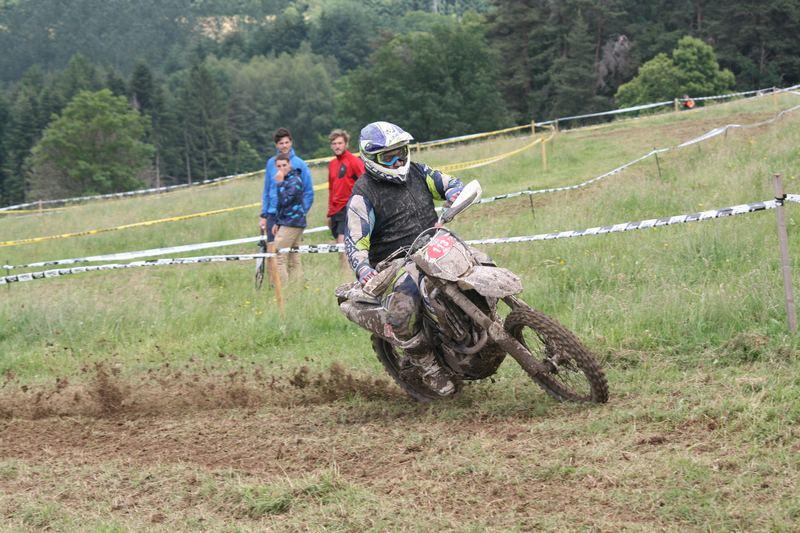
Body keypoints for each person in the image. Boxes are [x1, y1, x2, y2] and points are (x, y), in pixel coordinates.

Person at [341, 121, 463, 396]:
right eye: (389, 157)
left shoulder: (418, 172)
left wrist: (455, 192)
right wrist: (363, 268)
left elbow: (449, 183)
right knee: (402, 311)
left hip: (435, 246)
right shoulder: (363, 195)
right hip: (397, 262)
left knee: (480, 265)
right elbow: (355, 240)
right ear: (372, 159)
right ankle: (429, 367)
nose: (397, 161)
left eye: (401, 153)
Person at [259, 127, 314, 243]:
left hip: (291, 217)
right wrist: (264, 215)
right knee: (272, 249)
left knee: (288, 251)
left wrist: (301, 212)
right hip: (272, 213)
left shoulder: (300, 164)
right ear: (276, 145)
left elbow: (308, 192)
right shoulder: (270, 163)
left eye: (286, 142)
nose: (284, 146)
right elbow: (267, 190)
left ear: (291, 142)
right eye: (281, 143)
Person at [326, 129, 364, 270]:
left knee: (342, 242)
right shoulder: (332, 164)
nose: (337, 146)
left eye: (340, 143)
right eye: (334, 143)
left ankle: (346, 273)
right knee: (340, 243)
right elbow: (331, 189)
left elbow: (365, 182)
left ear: (346, 144)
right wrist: (329, 212)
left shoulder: (354, 161)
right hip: (335, 210)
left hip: (348, 207)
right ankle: (346, 270)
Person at [271, 153, 307, 281]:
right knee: (293, 256)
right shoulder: (287, 179)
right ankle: (297, 286)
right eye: (279, 166)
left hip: (292, 222)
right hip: (289, 221)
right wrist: (277, 222)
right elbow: (281, 205)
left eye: (284, 165)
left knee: (278, 255)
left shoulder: (294, 180)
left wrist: (280, 183)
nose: (282, 168)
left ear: (289, 164)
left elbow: (285, 200)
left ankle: (281, 287)